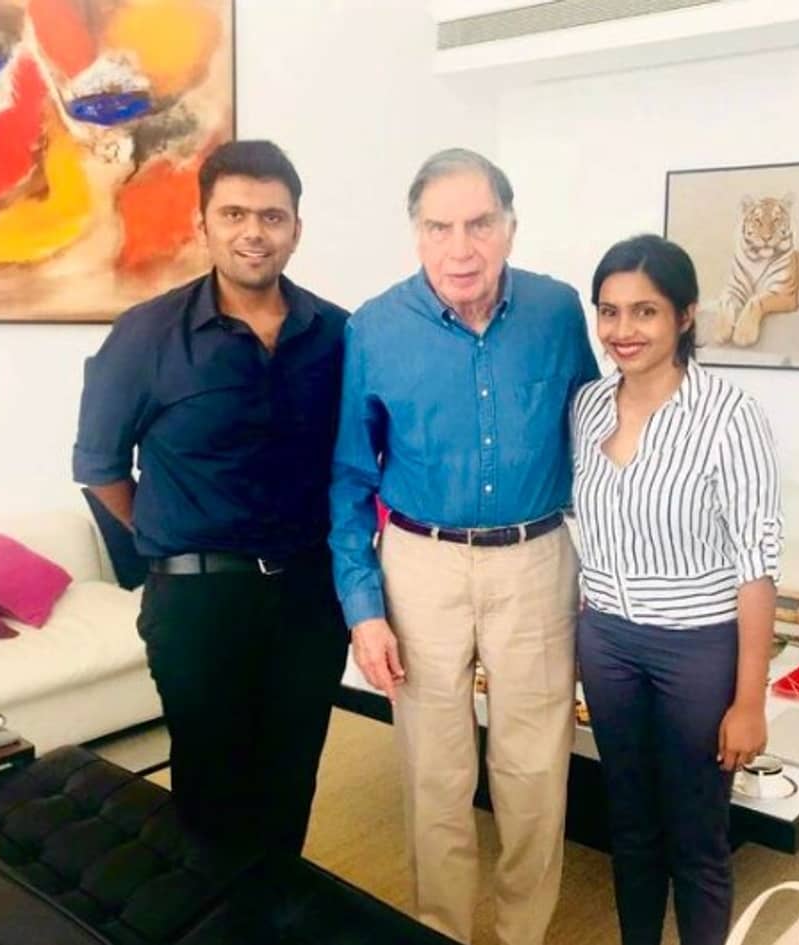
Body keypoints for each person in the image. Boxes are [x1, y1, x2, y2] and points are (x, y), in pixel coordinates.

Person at [329, 148, 599, 945]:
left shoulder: (557, 311)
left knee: (535, 769)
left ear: (511, 226)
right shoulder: (374, 327)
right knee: (435, 772)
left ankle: (523, 933)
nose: (460, 248)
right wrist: (363, 609)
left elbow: (595, 433)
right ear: (416, 234)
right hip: (420, 564)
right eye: (439, 227)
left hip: (536, 559)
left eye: (480, 224)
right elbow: (349, 478)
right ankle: (439, 929)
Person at [72, 140, 350, 864]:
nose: (253, 231)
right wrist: (167, 533)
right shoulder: (146, 335)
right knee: (210, 799)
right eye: (234, 214)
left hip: (310, 601)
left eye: (272, 216)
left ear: (296, 229)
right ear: (203, 225)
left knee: (290, 783)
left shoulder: (337, 333)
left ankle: (275, 908)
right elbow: (99, 466)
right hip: (197, 605)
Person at [570, 235, 782, 945]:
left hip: (697, 651)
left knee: (697, 834)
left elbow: (756, 566)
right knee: (629, 825)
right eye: (609, 311)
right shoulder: (587, 408)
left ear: (685, 316)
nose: (622, 330)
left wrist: (749, 701)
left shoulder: (730, 415)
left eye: (645, 311)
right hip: (606, 644)